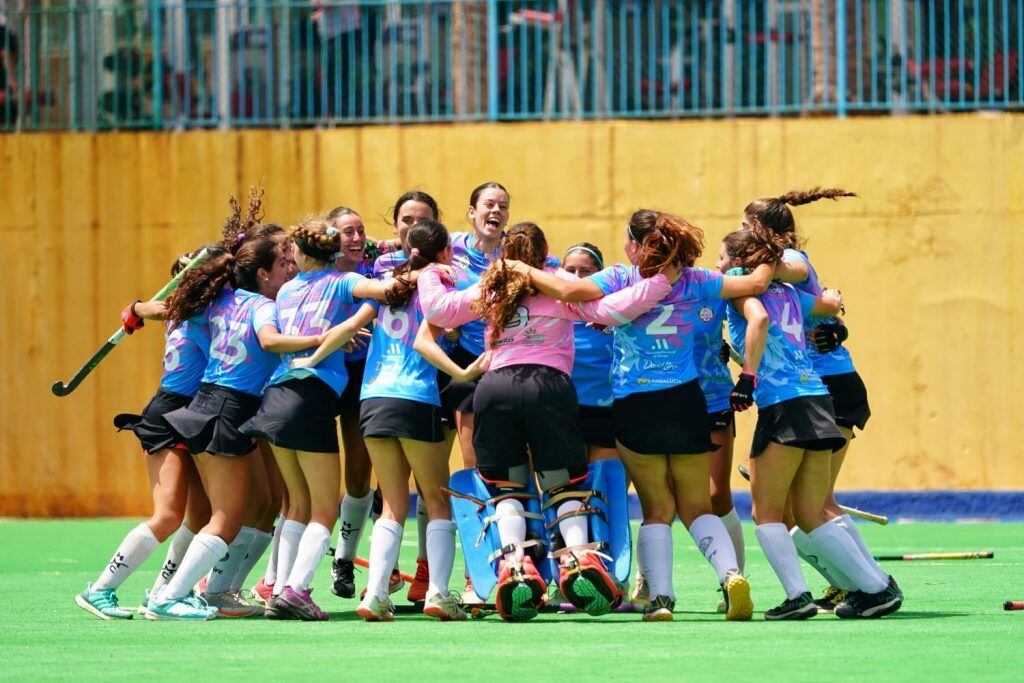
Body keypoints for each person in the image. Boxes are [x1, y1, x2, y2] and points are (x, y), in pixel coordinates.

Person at [508, 210, 774, 622]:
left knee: (657, 509)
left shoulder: (619, 277)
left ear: (635, 244)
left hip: (636, 403)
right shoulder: (696, 279)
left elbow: (568, 289)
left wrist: (522, 267)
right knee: (697, 505)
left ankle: (662, 599)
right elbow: (757, 283)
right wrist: (771, 245)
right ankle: (731, 575)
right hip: (687, 400)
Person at [425, 221, 674, 621]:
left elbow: (439, 309)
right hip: (549, 387)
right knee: (562, 482)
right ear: (544, 254)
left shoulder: (492, 286)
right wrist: (662, 282)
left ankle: (514, 564)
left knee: (506, 486)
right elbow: (612, 309)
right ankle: (577, 559)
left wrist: (431, 274)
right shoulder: (558, 283)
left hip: (495, 387)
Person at [719, 225, 903, 620]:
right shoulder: (793, 295)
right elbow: (829, 306)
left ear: (738, 262)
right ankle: (876, 588)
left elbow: (760, 321)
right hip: (820, 401)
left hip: (783, 405)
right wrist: (835, 301)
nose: (717, 266)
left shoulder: (738, 284)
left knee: (766, 513)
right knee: (811, 510)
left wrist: (747, 377)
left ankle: (797, 596)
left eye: (722, 258)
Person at [146, 234, 322, 621]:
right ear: (261, 273)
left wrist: (138, 309)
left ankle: (213, 590)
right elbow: (270, 340)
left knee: (258, 507)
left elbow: (164, 309)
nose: (291, 268)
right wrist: (321, 340)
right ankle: (166, 595)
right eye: (283, 262)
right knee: (224, 517)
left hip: (228, 407)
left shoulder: (226, 300)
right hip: (226, 408)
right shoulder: (259, 305)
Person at [74, 251, 212, 620]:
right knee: (168, 515)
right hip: (170, 414)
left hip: (197, 412)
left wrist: (135, 309)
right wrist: (137, 308)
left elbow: (154, 310)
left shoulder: (194, 309)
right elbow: (163, 310)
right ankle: (101, 588)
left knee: (200, 514)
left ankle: (165, 592)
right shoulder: (191, 311)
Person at [561, 243, 619, 463]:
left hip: (608, 413)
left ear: (599, 275)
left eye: (585, 271)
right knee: (570, 494)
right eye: (570, 270)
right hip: (563, 411)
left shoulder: (617, 310)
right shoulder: (551, 312)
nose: (577, 277)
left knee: (604, 490)